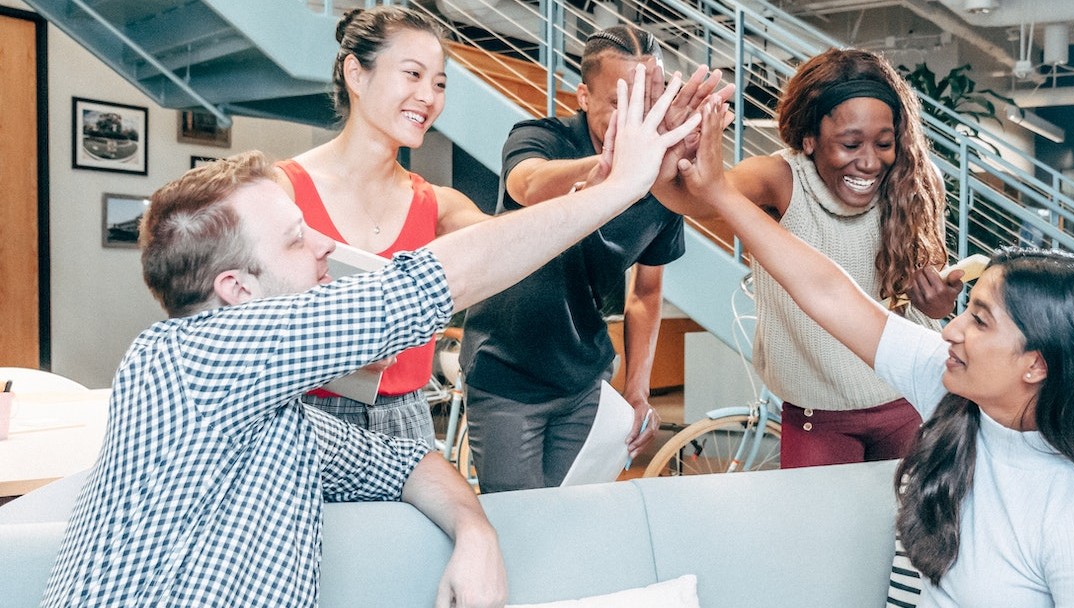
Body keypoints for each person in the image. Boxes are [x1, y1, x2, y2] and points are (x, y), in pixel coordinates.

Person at [40, 65, 701, 608]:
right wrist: (623, 185)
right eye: (298, 238)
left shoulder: (275, 418)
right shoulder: (184, 358)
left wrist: (476, 531)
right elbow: (420, 289)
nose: (326, 247)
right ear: (236, 292)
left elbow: (408, 464)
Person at [673, 103, 1074, 607]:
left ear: (1037, 364)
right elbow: (829, 292)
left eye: (979, 320)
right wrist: (720, 193)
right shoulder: (947, 391)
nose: (950, 329)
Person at [655, 47, 959, 469]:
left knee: (906, 533)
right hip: (818, 415)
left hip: (910, 401)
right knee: (816, 534)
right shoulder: (779, 179)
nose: (870, 162)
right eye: (850, 143)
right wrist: (667, 151)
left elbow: (930, 305)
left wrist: (940, 305)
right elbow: (694, 199)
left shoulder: (916, 183)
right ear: (809, 138)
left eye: (884, 143)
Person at [460, 26, 731, 493]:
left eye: (648, 104)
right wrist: (609, 171)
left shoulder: (662, 182)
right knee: (520, 525)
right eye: (619, 105)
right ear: (583, 96)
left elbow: (647, 293)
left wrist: (638, 390)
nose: (636, 121)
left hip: (585, 380)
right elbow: (526, 184)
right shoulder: (542, 136)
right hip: (507, 375)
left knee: (575, 520)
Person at [275, 5, 489, 439]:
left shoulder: (438, 205)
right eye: (413, 74)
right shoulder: (282, 191)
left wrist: (595, 192)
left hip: (407, 420)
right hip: (303, 416)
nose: (429, 97)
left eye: (439, 83)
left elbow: (515, 246)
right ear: (356, 74)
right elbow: (237, 315)